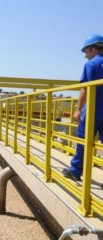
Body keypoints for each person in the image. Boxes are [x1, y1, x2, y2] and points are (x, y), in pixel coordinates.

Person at [62, 34, 103, 181]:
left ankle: (75, 171)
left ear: (93, 49)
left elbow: (85, 89)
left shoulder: (91, 64)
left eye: (86, 51)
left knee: (82, 142)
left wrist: (78, 110)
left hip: (92, 111)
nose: (85, 56)